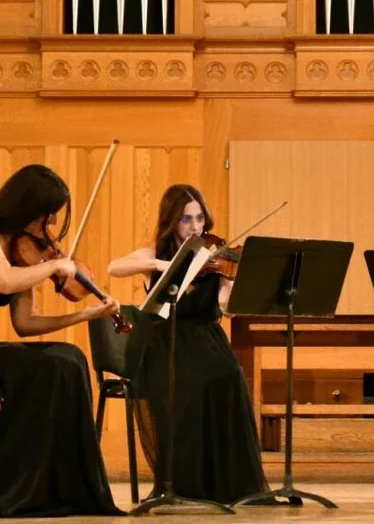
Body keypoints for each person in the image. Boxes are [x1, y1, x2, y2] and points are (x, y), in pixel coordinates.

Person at [0, 163, 122, 518]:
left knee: (70, 357)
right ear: (27, 207)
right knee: (41, 367)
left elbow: (25, 324)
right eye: (47, 216)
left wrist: (85, 315)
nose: (49, 228)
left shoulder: (24, 250)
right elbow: (2, 280)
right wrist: (53, 268)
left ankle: (66, 489)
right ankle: (5, 493)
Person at [107, 184, 268, 505]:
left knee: (230, 376)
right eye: (185, 220)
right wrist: (159, 266)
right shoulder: (154, 255)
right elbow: (115, 267)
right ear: (171, 222)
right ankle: (183, 483)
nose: (195, 227)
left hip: (206, 339)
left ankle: (227, 483)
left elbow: (223, 306)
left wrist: (234, 286)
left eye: (199, 219)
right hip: (164, 341)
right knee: (191, 382)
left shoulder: (215, 260)